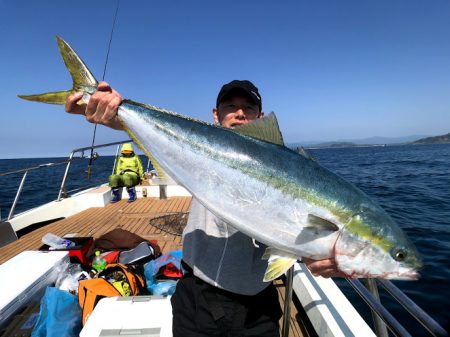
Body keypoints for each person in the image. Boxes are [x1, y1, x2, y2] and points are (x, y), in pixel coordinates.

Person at [65, 80, 345, 336]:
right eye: (230, 106)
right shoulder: (200, 152)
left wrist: (318, 253)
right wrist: (114, 111)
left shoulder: (287, 169)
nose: (239, 113)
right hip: (197, 295)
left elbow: (292, 228)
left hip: (257, 305)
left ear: (260, 118)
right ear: (216, 115)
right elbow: (153, 131)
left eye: (249, 107)